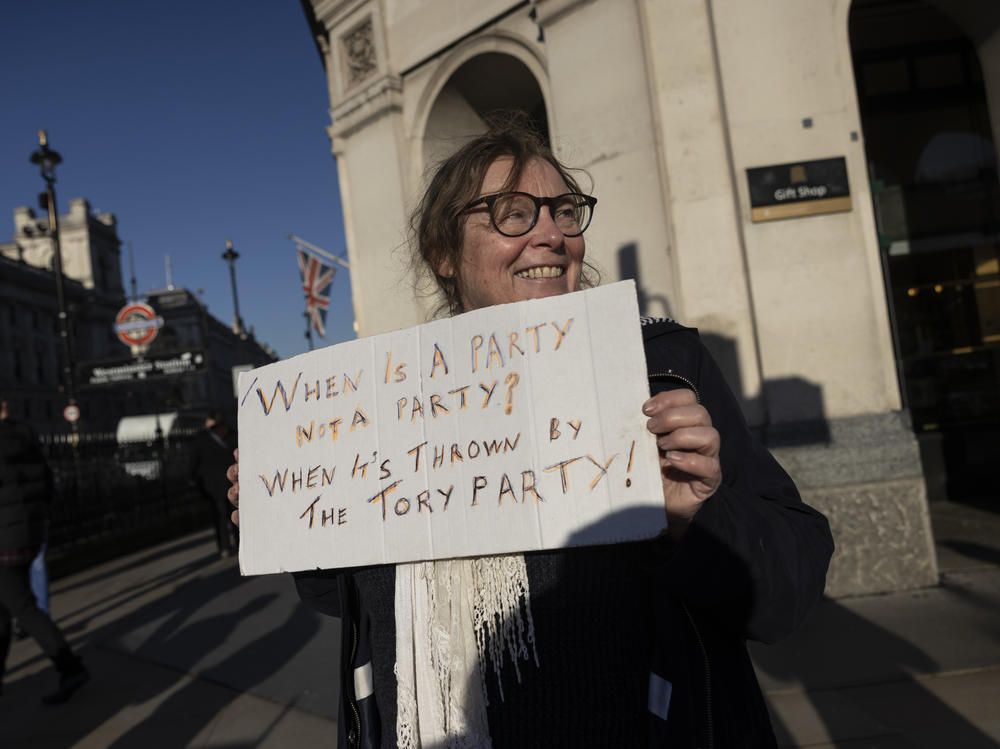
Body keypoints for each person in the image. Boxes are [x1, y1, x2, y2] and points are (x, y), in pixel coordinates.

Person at [227, 119, 834, 748]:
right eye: (510, 213)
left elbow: (788, 591)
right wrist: (293, 519)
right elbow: (354, 604)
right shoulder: (379, 402)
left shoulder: (662, 368)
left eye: (565, 212)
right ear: (444, 253)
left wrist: (695, 520)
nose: (550, 235)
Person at [0, 395, 89, 703]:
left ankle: (69, 666)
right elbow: (48, 486)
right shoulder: (26, 439)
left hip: (4, 539)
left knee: (23, 607)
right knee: (6, 609)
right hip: (29, 533)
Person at [190, 410, 239, 558]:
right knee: (235, 514)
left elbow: (194, 462)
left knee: (219, 517)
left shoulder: (202, 438)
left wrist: (193, 480)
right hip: (233, 482)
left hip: (212, 486)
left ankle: (224, 547)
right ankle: (239, 543)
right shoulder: (233, 434)